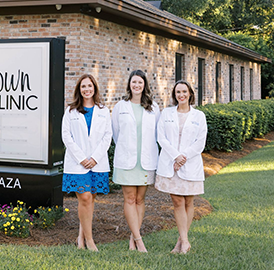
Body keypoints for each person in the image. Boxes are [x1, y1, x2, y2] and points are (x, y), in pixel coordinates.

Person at [155, 80, 207, 254]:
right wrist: (176, 156)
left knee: (189, 201)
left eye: (184, 92)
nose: (181, 95)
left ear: (190, 94)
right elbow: (161, 137)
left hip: (190, 163)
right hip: (171, 162)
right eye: (178, 92)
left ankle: (181, 241)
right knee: (177, 201)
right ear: (174, 95)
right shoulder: (166, 113)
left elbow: (200, 142)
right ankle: (185, 241)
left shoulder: (199, 116)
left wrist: (183, 157)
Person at [111, 70, 160, 253]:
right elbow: (116, 133)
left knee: (140, 199)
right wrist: (127, 148)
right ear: (129, 85)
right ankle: (139, 240)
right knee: (130, 199)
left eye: (140, 82)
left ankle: (133, 238)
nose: (136, 85)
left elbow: (157, 134)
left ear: (144, 85)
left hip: (146, 160)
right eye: (134, 82)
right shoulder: (120, 107)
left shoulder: (153, 107)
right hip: (126, 160)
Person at [62, 74, 112, 252]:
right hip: (77, 163)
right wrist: (82, 158)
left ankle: (81, 238)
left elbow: (108, 136)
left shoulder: (103, 110)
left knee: (91, 201)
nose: (87, 89)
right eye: (83, 87)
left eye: (89, 86)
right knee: (84, 197)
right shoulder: (70, 111)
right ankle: (90, 241)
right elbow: (66, 137)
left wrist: (95, 158)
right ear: (79, 90)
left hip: (97, 162)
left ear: (94, 88)